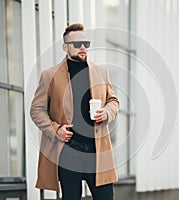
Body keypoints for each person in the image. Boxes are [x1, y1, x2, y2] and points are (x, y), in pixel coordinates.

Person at [30, 23, 119, 200]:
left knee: (106, 197)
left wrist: (107, 113)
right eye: (77, 44)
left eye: (86, 43)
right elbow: (36, 109)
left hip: (97, 149)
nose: (83, 47)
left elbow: (113, 101)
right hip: (68, 150)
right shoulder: (49, 75)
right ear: (65, 47)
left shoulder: (101, 72)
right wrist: (55, 129)